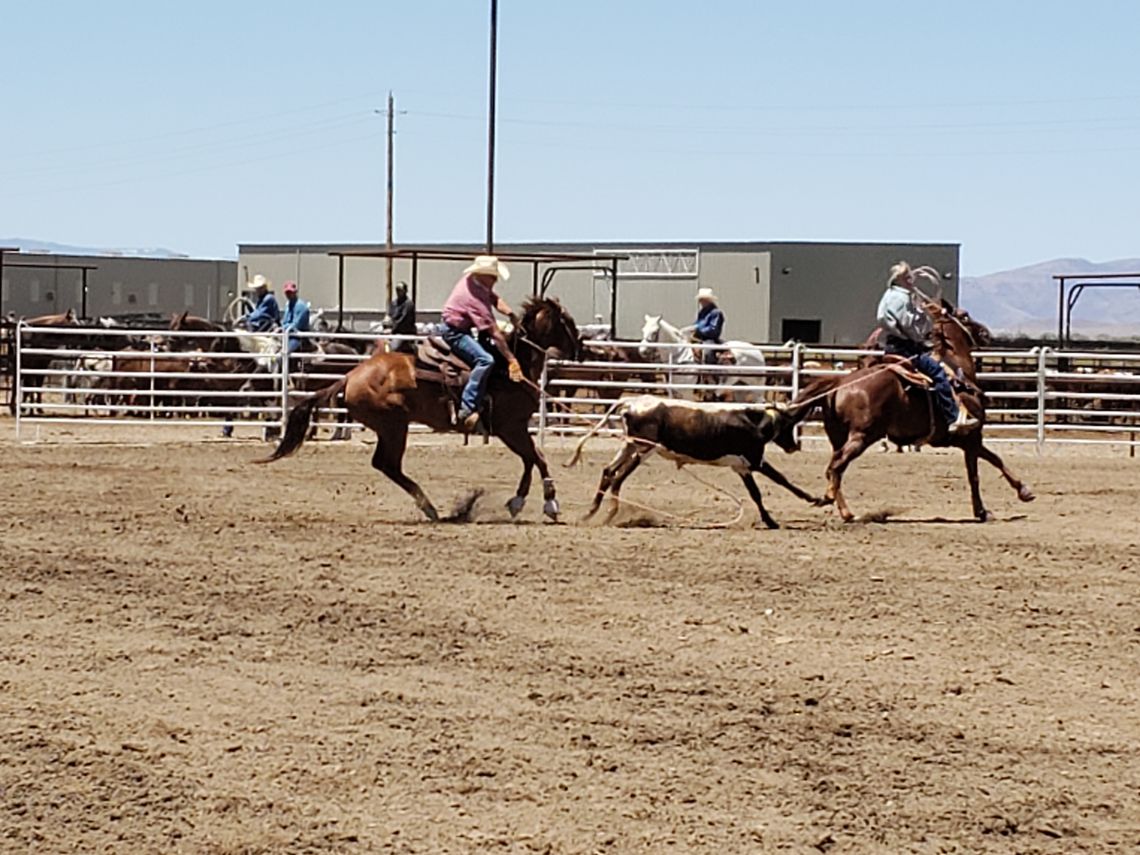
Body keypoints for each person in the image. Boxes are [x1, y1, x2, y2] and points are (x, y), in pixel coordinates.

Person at [877, 261, 978, 434]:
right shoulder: (902, 298)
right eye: (907, 277)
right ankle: (952, 417)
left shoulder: (889, 295)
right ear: (899, 279)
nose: (911, 279)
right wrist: (924, 313)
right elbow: (908, 324)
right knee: (939, 374)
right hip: (907, 348)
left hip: (892, 346)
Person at [439, 255, 523, 431]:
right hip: (455, 332)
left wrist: (510, 314)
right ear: (483, 275)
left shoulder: (474, 282)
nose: (495, 279)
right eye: (493, 276)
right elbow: (494, 332)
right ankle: (467, 407)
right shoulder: (473, 297)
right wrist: (511, 359)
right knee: (485, 360)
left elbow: (494, 298)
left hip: (461, 328)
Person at [693, 287, 725, 366]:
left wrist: (699, 330)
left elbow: (713, 329)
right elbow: (698, 324)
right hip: (699, 338)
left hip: (710, 339)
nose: (700, 302)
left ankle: (711, 371)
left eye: (702, 299)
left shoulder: (716, 313)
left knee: (708, 351)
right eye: (700, 300)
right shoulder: (702, 312)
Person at [280, 280, 311, 355]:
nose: (288, 295)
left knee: (284, 352)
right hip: (289, 335)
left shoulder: (301, 306)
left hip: (299, 336)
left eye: (290, 292)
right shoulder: (288, 305)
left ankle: (282, 365)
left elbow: (296, 325)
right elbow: (285, 321)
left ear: (295, 292)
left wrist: (283, 327)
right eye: (287, 293)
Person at [387, 281, 417, 354]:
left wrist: (391, 328)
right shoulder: (394, 303)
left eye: (400, 290)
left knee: (393, 348)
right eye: (397, 290)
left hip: (404, 332)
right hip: (393, 330)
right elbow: (390, 315)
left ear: (405, 291)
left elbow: (403, 321)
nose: (398, 292)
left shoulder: (409, 304)